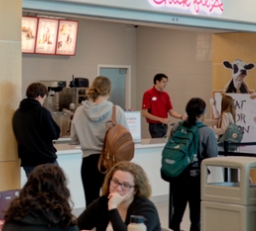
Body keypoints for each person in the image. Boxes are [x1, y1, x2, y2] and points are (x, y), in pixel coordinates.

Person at [165, 98, 217, 231]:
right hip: (196, 178)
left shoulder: (176, 127)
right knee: (196, 219)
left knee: (176, 215)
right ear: (203, 113)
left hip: (177, 176)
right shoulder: (207, 131)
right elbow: (211, 157)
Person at [71, 76, 127, 205]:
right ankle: (102, 226)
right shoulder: (116, 111)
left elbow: (74, 138)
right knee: (110, 202)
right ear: (109, 90)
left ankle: (89, 226)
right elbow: (125, 138)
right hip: (109, 162)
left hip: (88, 162)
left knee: (90, 203)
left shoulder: (79, 111)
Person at [13, 81, 61, 178]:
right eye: (44, 98)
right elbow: (54, 133)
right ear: (39, 96)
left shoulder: (18, 113)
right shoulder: (42, 112)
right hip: (45, 160)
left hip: (27, 161)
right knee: (54, 189)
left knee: (35, 190)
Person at [140, 73, 182, 140]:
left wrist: (181, 117)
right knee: (158, 143)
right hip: (155, 125)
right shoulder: (148, 93)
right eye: (163, 82)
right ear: (157, 82)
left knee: (163, 143)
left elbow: (171, 111)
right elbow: (144, 113)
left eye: (166, 82)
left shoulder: (165, 95)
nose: (165, 84)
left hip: (164, 125)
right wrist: (160, 119)